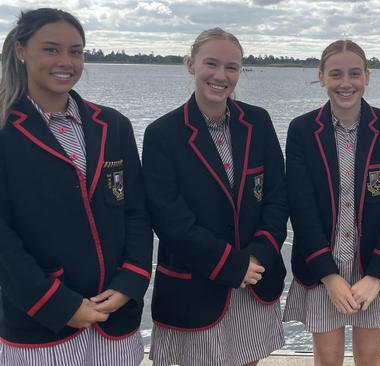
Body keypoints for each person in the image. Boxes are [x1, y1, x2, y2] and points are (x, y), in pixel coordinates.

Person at [0, 8, 152, 365]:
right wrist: (58, 303)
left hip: (114, 316)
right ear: (21, 50)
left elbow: (137, 212)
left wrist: (130, 281)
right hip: (42, 322)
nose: (65, 61)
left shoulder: (113, 125)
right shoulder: (6, 131)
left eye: (76, 51)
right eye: (51, 49)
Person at [142, 28, 288, 366]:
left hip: (254, 278)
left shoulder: (259, 122)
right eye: (211, 63)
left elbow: (278, 198)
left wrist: (257, 256)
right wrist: (229, 264)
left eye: (232, 67)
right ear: (191, 65)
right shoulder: (162, 134)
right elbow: (169, 218)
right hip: (196, 283)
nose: (221, 76)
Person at [283, 39, 380, 366]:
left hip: (373, 265)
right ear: (322, 76)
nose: (345, 83)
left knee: (370, 357)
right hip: (322, 264)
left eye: (355, 73)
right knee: (327, 359)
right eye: (336, 74)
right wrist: (328, 274)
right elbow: (302, 210)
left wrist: (377, 274)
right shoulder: (301, 130)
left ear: (367, 76)